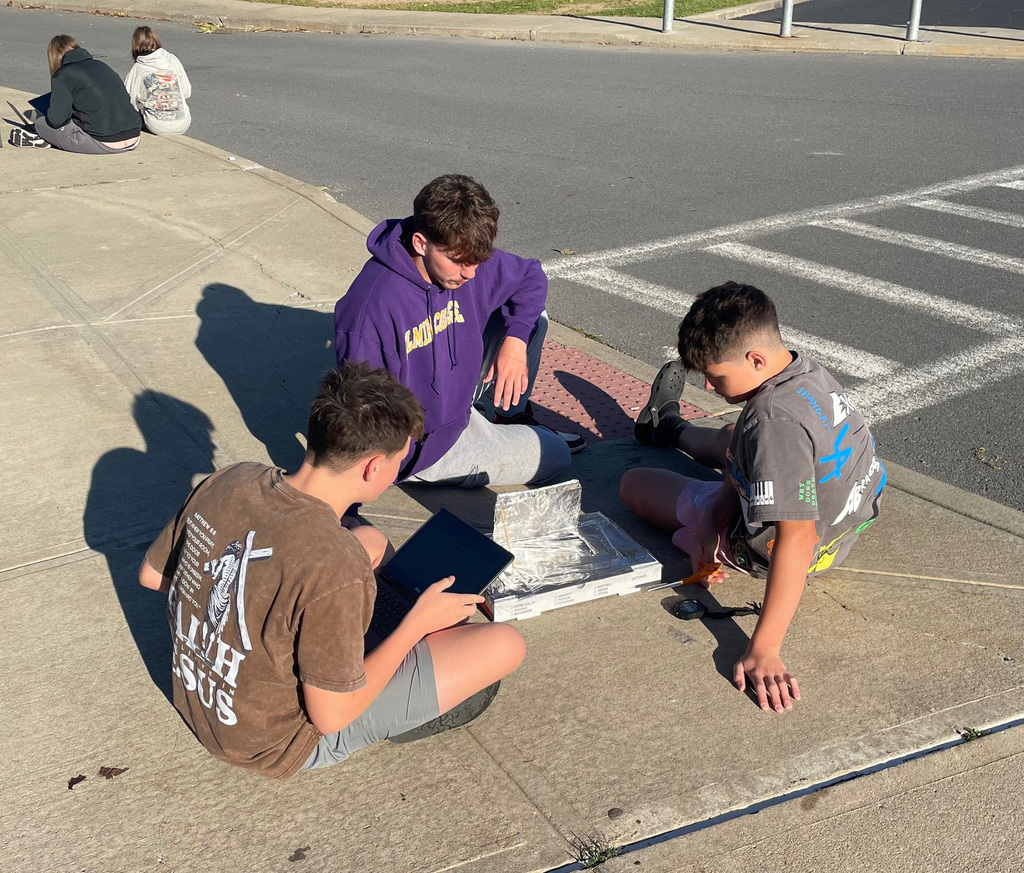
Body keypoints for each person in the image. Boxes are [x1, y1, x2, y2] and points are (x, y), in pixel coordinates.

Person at [139, 363, 526, 778]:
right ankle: (399, 704)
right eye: (398, 461)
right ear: (373, 467)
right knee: (505, 644)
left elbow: (152, 576)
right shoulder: (336, 563)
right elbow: (330, 718)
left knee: (373, 542)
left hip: (199, 698)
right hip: (273, 743)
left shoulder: (232, 478)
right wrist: (416, 624)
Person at [620, 282, 885, 714]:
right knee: (734, 436)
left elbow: (795, 538)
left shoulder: (771, 422)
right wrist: (714, 514)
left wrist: (764, 648)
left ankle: (669, 436)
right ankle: (669, 429)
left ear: (755, 359)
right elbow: (754, 457)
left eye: (715, 375)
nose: (707, 386)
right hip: (844, 526)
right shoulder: (803, 372)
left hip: (789, 549)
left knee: (634, 483)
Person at [334, 174, 584, 489]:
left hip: (457, 406)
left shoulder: (463, 258)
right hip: (425, 448)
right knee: (556, 455)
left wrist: (515, 342)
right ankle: (496, 432)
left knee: (533, 316)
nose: (470, 273)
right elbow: (361, 416)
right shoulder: (370, 308)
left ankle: (508, 415)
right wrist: (352, 506)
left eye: (478, 261)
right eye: (460, 262)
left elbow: (530, 276)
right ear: (420, 243)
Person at [32, 35, 141, 154]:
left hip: (105, 142)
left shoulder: (62, 75)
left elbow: (57, 121)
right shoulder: (102, 65)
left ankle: (45, 139)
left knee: (41, 123)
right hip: (134, 136)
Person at [124, 26, 192, 136]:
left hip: (156, 125)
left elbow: (127, 99)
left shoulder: (138, 68)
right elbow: (186, 92)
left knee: (135, 114)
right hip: (183, 122)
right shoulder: (173, 59)